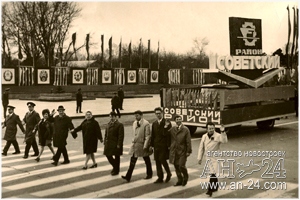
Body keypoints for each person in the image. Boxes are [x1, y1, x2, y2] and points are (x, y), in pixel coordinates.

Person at [197, 122, 228, 197]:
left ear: (214, 128)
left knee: (212, 173)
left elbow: (224, 141)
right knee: (213, 173)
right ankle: (216, 186)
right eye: (209, 128)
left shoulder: (218, 135)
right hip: (208, 157)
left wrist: (223, 132)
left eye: (212, 128)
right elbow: (201, 148)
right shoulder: (204, 136)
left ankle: (210, 190)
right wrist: (199, 158)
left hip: (215, 157)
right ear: (207, 129)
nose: (211, 130)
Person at [122, 110, 153, 182]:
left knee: (146, 159)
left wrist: (146, 146)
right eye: (135, 115)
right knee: (133, 160)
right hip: (135, 144)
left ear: (141, 115)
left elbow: (148, 136)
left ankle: (149, 174)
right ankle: (128, 176)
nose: (136, 117)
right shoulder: (134, 123)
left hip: (142, 144)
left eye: (137, 115)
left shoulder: (146, 123)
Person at [167, 115, 192, 187]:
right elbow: (166, 135)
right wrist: (166, 126)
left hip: (182, 151)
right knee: (176, 166)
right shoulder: (172, 129)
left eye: (179, 119)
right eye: (177, 119)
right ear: (175, 121)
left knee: (181, 165)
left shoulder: (185, 129)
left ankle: (185, 177)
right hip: (174, 150)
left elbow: (188, 141)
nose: (178, 121)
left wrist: (188, 151)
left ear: (181, 120)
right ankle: (179, 180)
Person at [151, 107, 172, 183]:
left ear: (162, 113)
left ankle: (168, 173)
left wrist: (169, 145)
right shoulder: (154, 123)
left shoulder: (167, 122)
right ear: (155, 114)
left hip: (164, 145)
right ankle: (160, 177)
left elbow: (168, 135)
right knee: (157, 161)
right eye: (156, 114)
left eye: (159, 113)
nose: (158, 115)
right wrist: (151, 145)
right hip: (156, 145)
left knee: (162, 160)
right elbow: (153, 135)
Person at [104, 111, 124, 175]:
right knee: (108, 155)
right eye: (110, 117)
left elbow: (121, 135)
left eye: (112, 117)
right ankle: (115, 167)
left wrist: (119, 144)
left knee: (117, 157)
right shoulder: (108, 124)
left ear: (116, 117)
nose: (111, 118)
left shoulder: (119, 125)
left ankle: (116, 170)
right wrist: (105, 141)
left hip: (116, 143)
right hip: (109, 143)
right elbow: (106, 134)